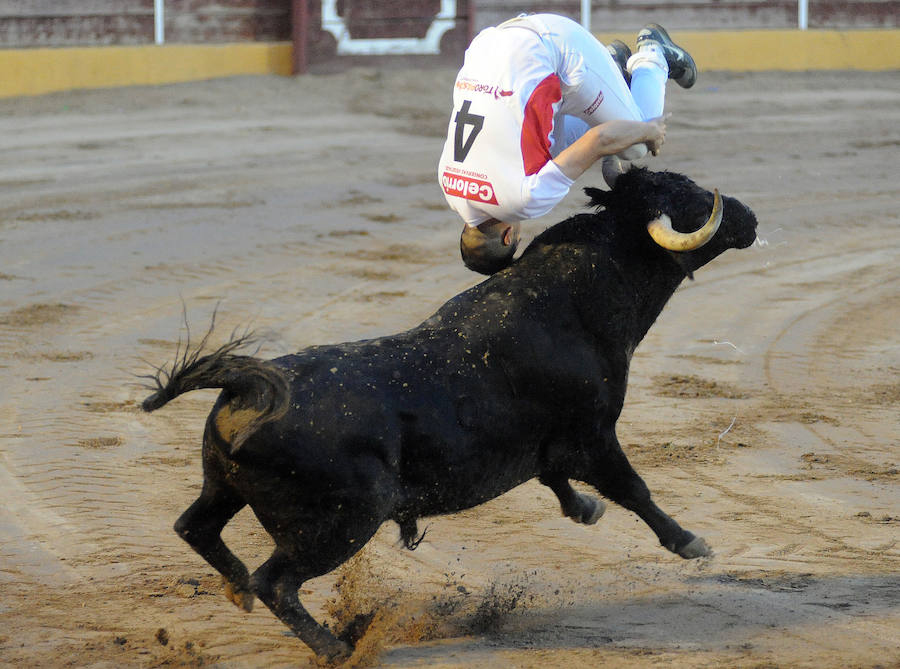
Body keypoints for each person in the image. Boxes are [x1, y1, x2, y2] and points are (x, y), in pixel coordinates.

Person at [437, 14, 697, 274]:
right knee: (548, 152)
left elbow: (600, 139)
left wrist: (649, 131)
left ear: (508, 237)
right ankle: (611, 71)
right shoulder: (448, 186)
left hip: (554, 49)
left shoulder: (523, 201)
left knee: (635, 146)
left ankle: (654, 54)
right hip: (491, 45)